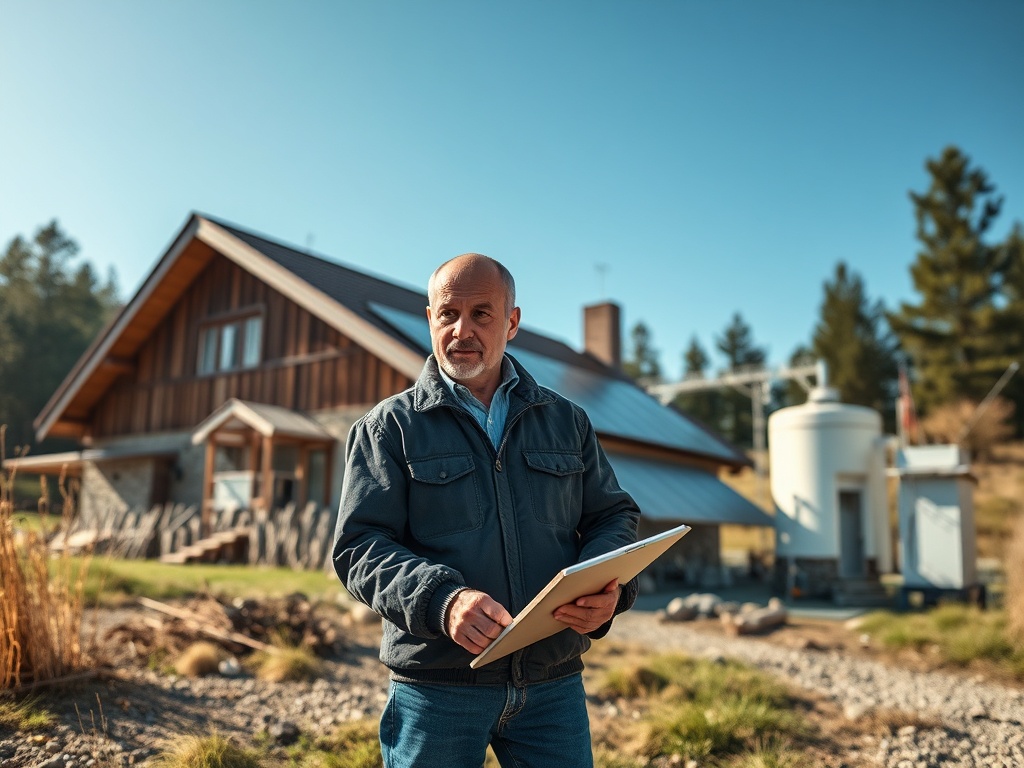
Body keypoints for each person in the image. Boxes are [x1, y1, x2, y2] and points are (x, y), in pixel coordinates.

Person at [332, 253, 641, 767]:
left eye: (482, 313)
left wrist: (610, 589)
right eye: (447, 314)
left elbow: (613, 518)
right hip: (437, 691)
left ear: (512, 322)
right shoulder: (388, 428)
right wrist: (442, 600)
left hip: (552, 686)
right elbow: (360, 548)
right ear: (429, 317)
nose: (462, 330)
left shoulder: (567, 422)